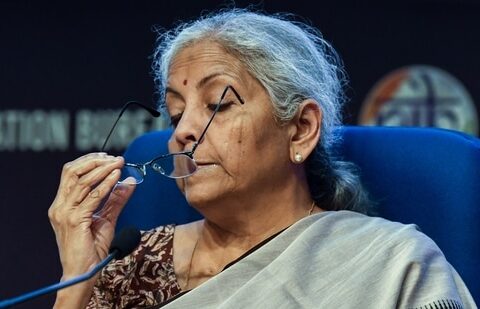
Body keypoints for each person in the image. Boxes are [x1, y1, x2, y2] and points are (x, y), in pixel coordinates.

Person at [48, 9, 476, 309]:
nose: (181, 132)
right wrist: (75, 282)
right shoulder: (132, 264)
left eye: (218, 103)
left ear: (301, 129)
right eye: (176, 113)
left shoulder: (391, 262)